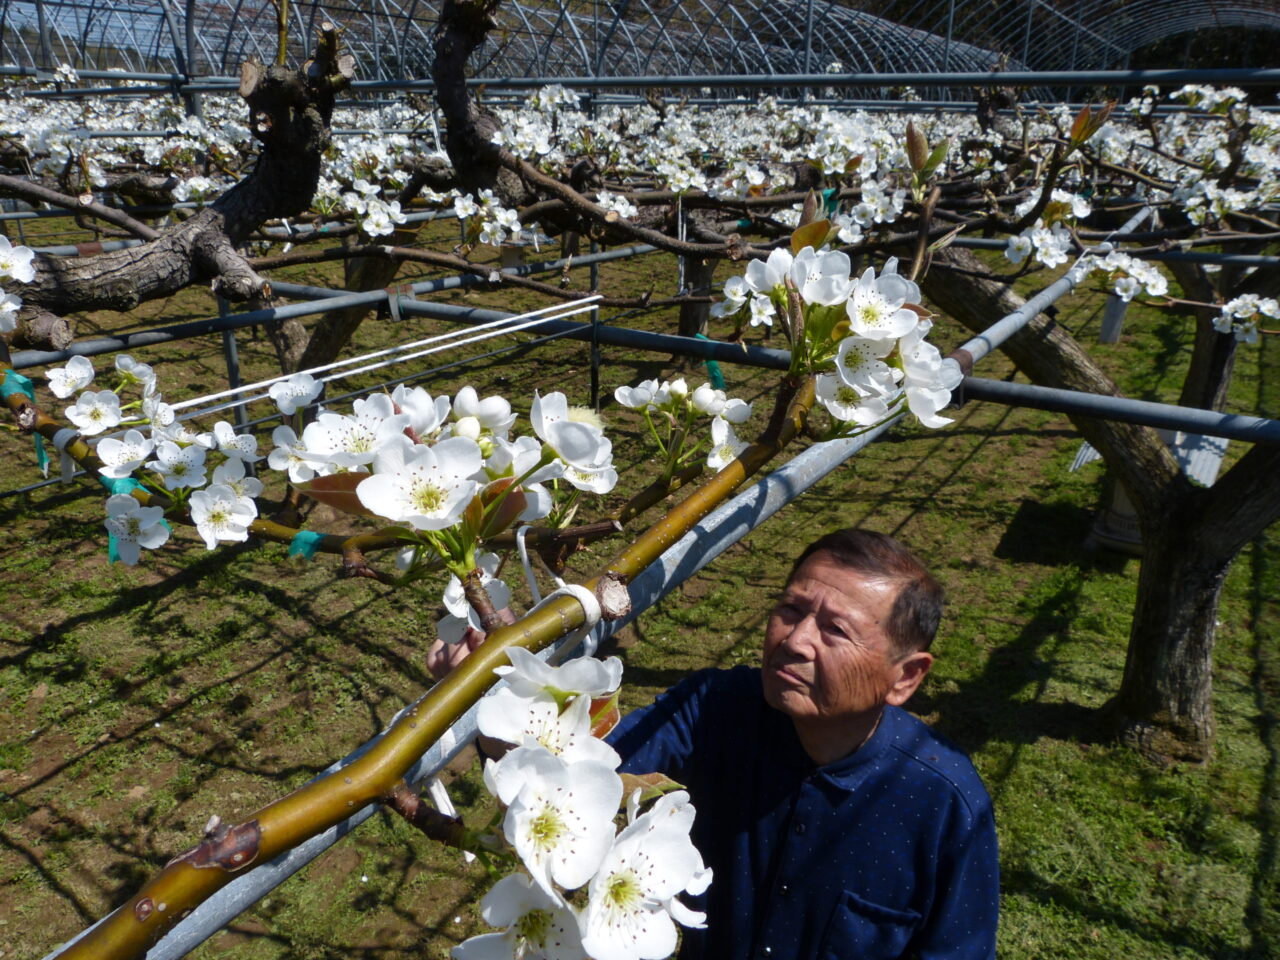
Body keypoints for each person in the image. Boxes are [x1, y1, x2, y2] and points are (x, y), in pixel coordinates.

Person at [428, 528, 999, 960]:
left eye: (835, 630)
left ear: (905, 677)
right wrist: (510, 681)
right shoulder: (716, 707)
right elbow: (578, 775)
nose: (796, 640)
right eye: (791, 609)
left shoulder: (943, 805)